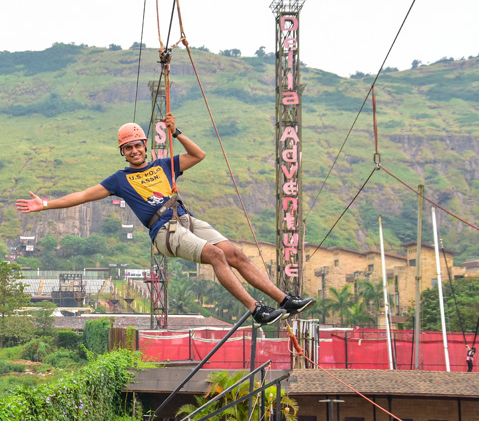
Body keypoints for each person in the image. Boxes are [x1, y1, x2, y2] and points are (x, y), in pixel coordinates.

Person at [16, 113, 315, 327]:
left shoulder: (165, 165)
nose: (134, 151)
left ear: (145, 146)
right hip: (164, 231)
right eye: (128, 148)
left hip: (185, 218)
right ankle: (255, 309)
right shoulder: (120, 180)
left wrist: (177, 132)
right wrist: (45, 204)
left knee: (234, 253)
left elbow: (198, 154)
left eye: (137, 145)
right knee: (215, 254)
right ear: (122, 152)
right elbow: (82, 195)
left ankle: (284, 300)